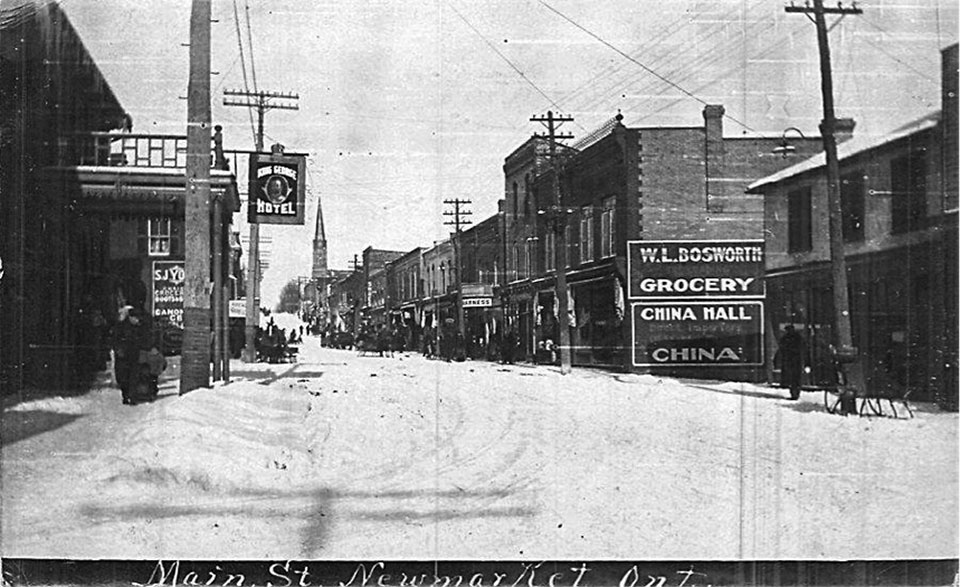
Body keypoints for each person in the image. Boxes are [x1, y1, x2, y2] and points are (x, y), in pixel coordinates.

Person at [112, 303, 158, 405]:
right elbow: (115, 340)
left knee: (133, 376)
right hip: (123, 356)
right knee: (123, 377)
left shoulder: (139, 327)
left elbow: (145, 340)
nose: (137, 320)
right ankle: (126, 395)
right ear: (131, 317)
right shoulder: (122, 327)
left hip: (134, 355)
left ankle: (132, 397)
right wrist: (118, 350)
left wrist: (150, 347)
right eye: (135, 318)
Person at [776, 324, 805, 400]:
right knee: (796, 378)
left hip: (790, 360)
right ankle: (796, 393)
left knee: (792, 378)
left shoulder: (786, 338)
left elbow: (782, 348)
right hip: (797, 360)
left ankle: (794, 393)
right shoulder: (798, 337)